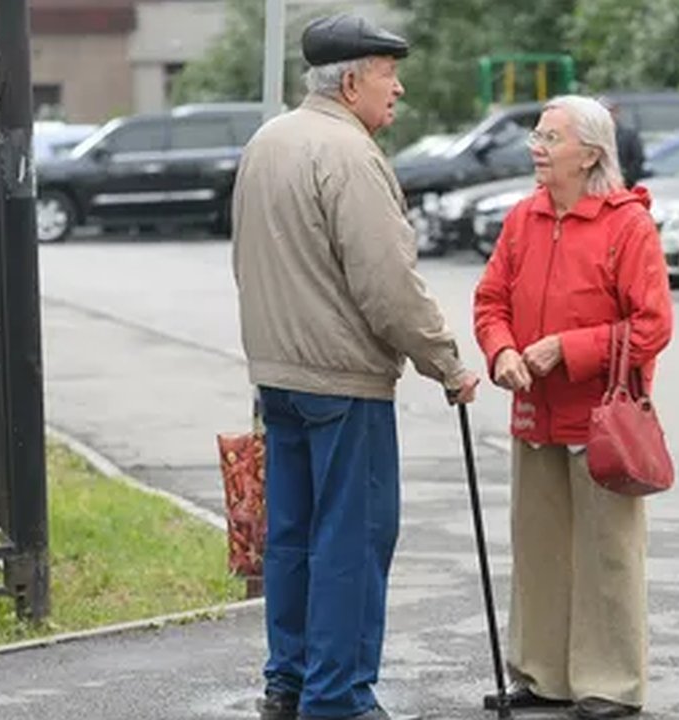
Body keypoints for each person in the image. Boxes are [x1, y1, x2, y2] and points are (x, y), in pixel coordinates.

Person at [231, 13, 480, 720]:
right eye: (387, 75)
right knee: (354, 537)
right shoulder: (350, 154)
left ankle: (289, 682)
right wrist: (447, 363)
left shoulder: (267, 142)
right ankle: (336, 697)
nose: (397, 89)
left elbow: (245, 256)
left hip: (278, 373)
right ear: (349, 84)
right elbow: (388, 285)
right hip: (343, 379)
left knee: (291, 535)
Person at [472, 95, 673, 720]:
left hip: (602, 419)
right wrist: (502, 351)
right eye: (537, 136)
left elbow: (652, 326)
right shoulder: (523, 218)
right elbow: (491, 301)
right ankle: (542, 676)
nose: (536, 147)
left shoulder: (627, 225)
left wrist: (568, 348)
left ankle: (610, 684)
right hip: (534, 414)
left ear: (589, 154)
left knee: (606, 552)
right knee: (539, 548)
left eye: (550, 138)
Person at [601, 96, 646, 188]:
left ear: (616, 112)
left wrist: (626, 180)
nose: (605, 115)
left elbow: (637, 159)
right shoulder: (590, 135)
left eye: (609, 111)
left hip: (622, 186)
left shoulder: (629, 136)